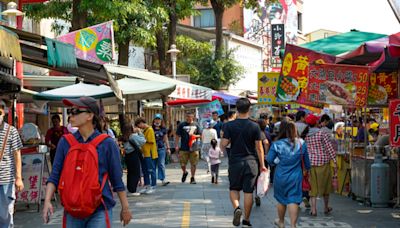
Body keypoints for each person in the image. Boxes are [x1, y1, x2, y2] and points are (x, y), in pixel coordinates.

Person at [42, 96, 132, 227]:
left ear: (90, 115)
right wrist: (47, 201)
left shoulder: (107, 143)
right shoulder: (65, 142)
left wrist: (125, 208)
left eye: (76, 111)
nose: (71, 115)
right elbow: (55, 175)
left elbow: (116, 179)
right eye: (70, 111)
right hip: (72, 208)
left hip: (100, 209)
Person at [220, 98, 267, 227]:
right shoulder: (255, 125)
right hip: (252, 163)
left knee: (234, 188)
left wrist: (224, 141)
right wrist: (262, 165)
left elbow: (223, 144)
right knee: (248, 191)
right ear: (249, 109)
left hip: (235, 162)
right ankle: (246, 219)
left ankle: (236, 208)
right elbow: (259, 147)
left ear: (236, 109)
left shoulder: (229, 125)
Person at [267, 121, 310, 228]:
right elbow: (307, 163)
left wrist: (276, 162)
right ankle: (293, 225)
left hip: (280, 175)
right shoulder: (301, 143)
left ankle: (281, 221)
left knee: (281, 199)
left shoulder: (277, 144)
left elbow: (269, 160)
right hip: (296, 176)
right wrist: (306, 170)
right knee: (293, 199)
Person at [304, 114, 337, 217]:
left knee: (312, 187)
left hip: (311, 164)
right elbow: (329, 148)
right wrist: (334, 161)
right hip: (323, 163)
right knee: (326, 187)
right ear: (317, 123)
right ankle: (326, 207)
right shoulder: (321, 133)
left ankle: (313, 210)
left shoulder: (305, 135)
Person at [0, 104, 24, 228]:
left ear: (3, 113)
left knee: (5, 214)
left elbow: (17, 154)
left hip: (6, 179)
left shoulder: (11, 131)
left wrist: (19, 177)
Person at [175, 111, 201, 184]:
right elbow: (177, 135)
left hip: (194, 147)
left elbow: (201, 135)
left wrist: (194, 136)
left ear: (193, 117)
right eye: (187, 116)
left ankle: (192, 178)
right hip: (183, 147)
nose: (188, 118)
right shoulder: (181, 125)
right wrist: (176, 145)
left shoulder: (196, 125)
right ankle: (185, 172)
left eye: (190, 117)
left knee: (194, 164)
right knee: (182, 164)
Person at [122, 121, 146, 196]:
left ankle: (130, 188)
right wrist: (139, 132)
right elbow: (143, 141)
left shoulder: (124, 136)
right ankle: (133, 190)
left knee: (130, 173)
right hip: (133, 155)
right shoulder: (133, 136)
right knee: (135, 172)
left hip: (128, 155)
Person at [135, 117, 158, 194]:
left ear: (142, 123)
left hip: (150, 153)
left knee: (151, 170)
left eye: (139, 125)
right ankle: (147, 185)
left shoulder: (150, 129)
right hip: (145, 153)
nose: (139, 127)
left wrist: (141, 138)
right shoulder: (144, 130)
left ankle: (153, 186)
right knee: (145, 171)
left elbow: (150, 141)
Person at [152, 114, 171, 186]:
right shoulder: (151, 129)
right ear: (154, 120)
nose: (157, 120)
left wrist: (168, 148)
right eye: (156, 119)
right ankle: (153, 181)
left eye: (159, 119)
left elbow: (166, 139)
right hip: (153, 149)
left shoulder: (163, 129)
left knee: (161, 164)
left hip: (161, 148)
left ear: (161, 120)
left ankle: (163, 179)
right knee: (153, 164)